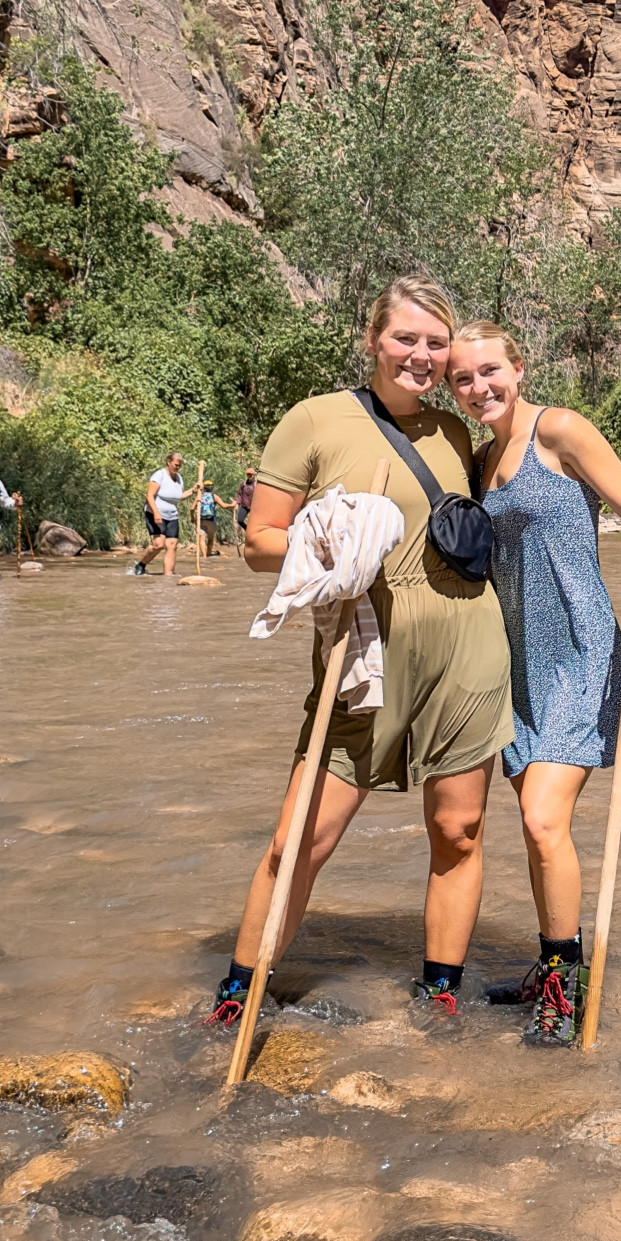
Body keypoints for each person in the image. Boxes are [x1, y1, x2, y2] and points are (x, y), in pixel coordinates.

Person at [209, 277, 513, 1024]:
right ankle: (243, 987)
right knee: (298, 840)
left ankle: (440, 987)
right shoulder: (315, 420)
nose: (421, 355)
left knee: (458, 830)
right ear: (373, 338)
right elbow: (257, 543)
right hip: (362, 661)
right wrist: (327, 541)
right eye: (405, 338)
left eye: (436, 344)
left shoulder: (454, 433)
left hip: (467, 650)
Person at [447, 322, 621, 1047]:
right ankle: (550, 964)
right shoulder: (479, 460)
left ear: (518, 366)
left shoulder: (561, 430)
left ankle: (565, 984)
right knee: (542, 832)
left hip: (578, 649)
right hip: (513, 662)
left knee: (543, 820)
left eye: (488, 371)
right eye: (463, 379)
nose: (479, 388)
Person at [129, 453, 198, 577]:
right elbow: (149, 495)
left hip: (172, 516)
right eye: (176, 465)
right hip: (155, 514)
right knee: (158, 544)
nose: (177, 467)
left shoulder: (179, 478)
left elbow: (179, 497)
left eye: (179, 466)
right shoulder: (159, 475)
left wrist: (193, 490)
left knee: (172, 545)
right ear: (168, 462)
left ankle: (168, 575)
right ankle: (141, 564)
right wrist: (156, 513)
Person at [197, 480, 235, 558]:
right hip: (211, 521)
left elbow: (192, 508)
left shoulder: (199, 496)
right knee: (210, 539)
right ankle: (208, 554)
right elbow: (224, 505)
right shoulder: (214, 496)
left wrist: (192, 518)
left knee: (202, 539)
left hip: (201, 520)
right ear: (212, 488)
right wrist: (232, 505)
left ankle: (204, 557)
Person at [235, 468, 257, 535]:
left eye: (250, 475)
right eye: (248, 475)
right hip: (244, 506)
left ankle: (253, 534)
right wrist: (237, 503)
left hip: (253, 507)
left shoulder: (256, 484)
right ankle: (247, 531)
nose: (249, 476)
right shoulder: (244, 484)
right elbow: (239, 494)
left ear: (254, 475)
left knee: (254, 523)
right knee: (240, 520)